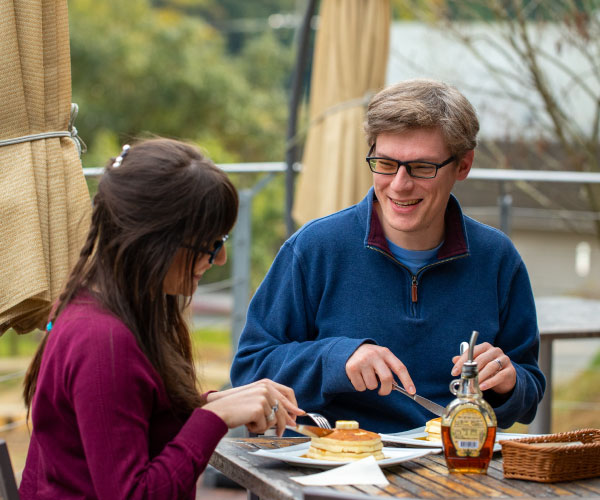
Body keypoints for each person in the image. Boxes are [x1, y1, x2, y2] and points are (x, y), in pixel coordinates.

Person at [231, 79, 545, 434]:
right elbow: (249, 372)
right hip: (333, 467)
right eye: (384, 163)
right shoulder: (313, 249)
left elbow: (529, 393)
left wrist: (509, 382)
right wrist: (336, 359)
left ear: (463, 165)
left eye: (422, 167)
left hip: (453, 469)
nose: (398, 184)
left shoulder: (498, 258)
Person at [19, 138, 303, 500]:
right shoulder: (102, 343)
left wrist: (213, 404)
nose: (221, 259)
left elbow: (134, 419)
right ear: (157, 241)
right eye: (211, 243)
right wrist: (212, 420)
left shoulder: (100, 308)